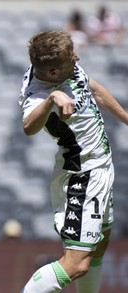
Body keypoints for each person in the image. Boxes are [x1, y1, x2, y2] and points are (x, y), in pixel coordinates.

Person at [18, 30, 128, 293]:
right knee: (76, 264)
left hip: (101, 168)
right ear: (53, 73)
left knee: (100, 244)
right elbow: (29, 126)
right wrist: (51, 99)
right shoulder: (37, 94)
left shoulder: (66, 68)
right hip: (83, 176)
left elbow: (94, 88)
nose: (77, 59)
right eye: (72, 59)